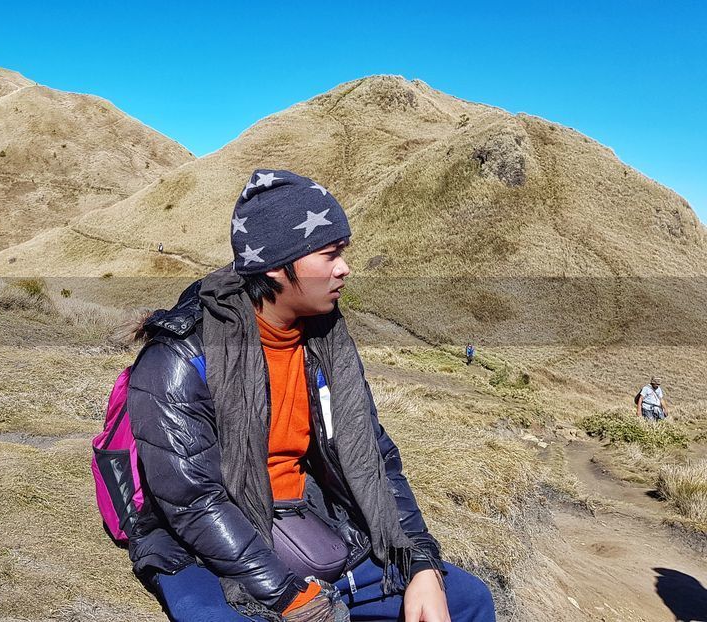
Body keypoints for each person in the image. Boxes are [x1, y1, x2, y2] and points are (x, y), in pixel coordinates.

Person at [124, 170, 495, 622]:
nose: (344, 268)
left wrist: (419, 561)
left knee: (469, 600)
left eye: (343, 253)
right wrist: (286, 596)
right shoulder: (181, 359)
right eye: (329, 254)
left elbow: (374, 455)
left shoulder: (325, 341)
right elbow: (194, 501)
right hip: (208, 543)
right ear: (278, 267)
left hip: (307, 514)